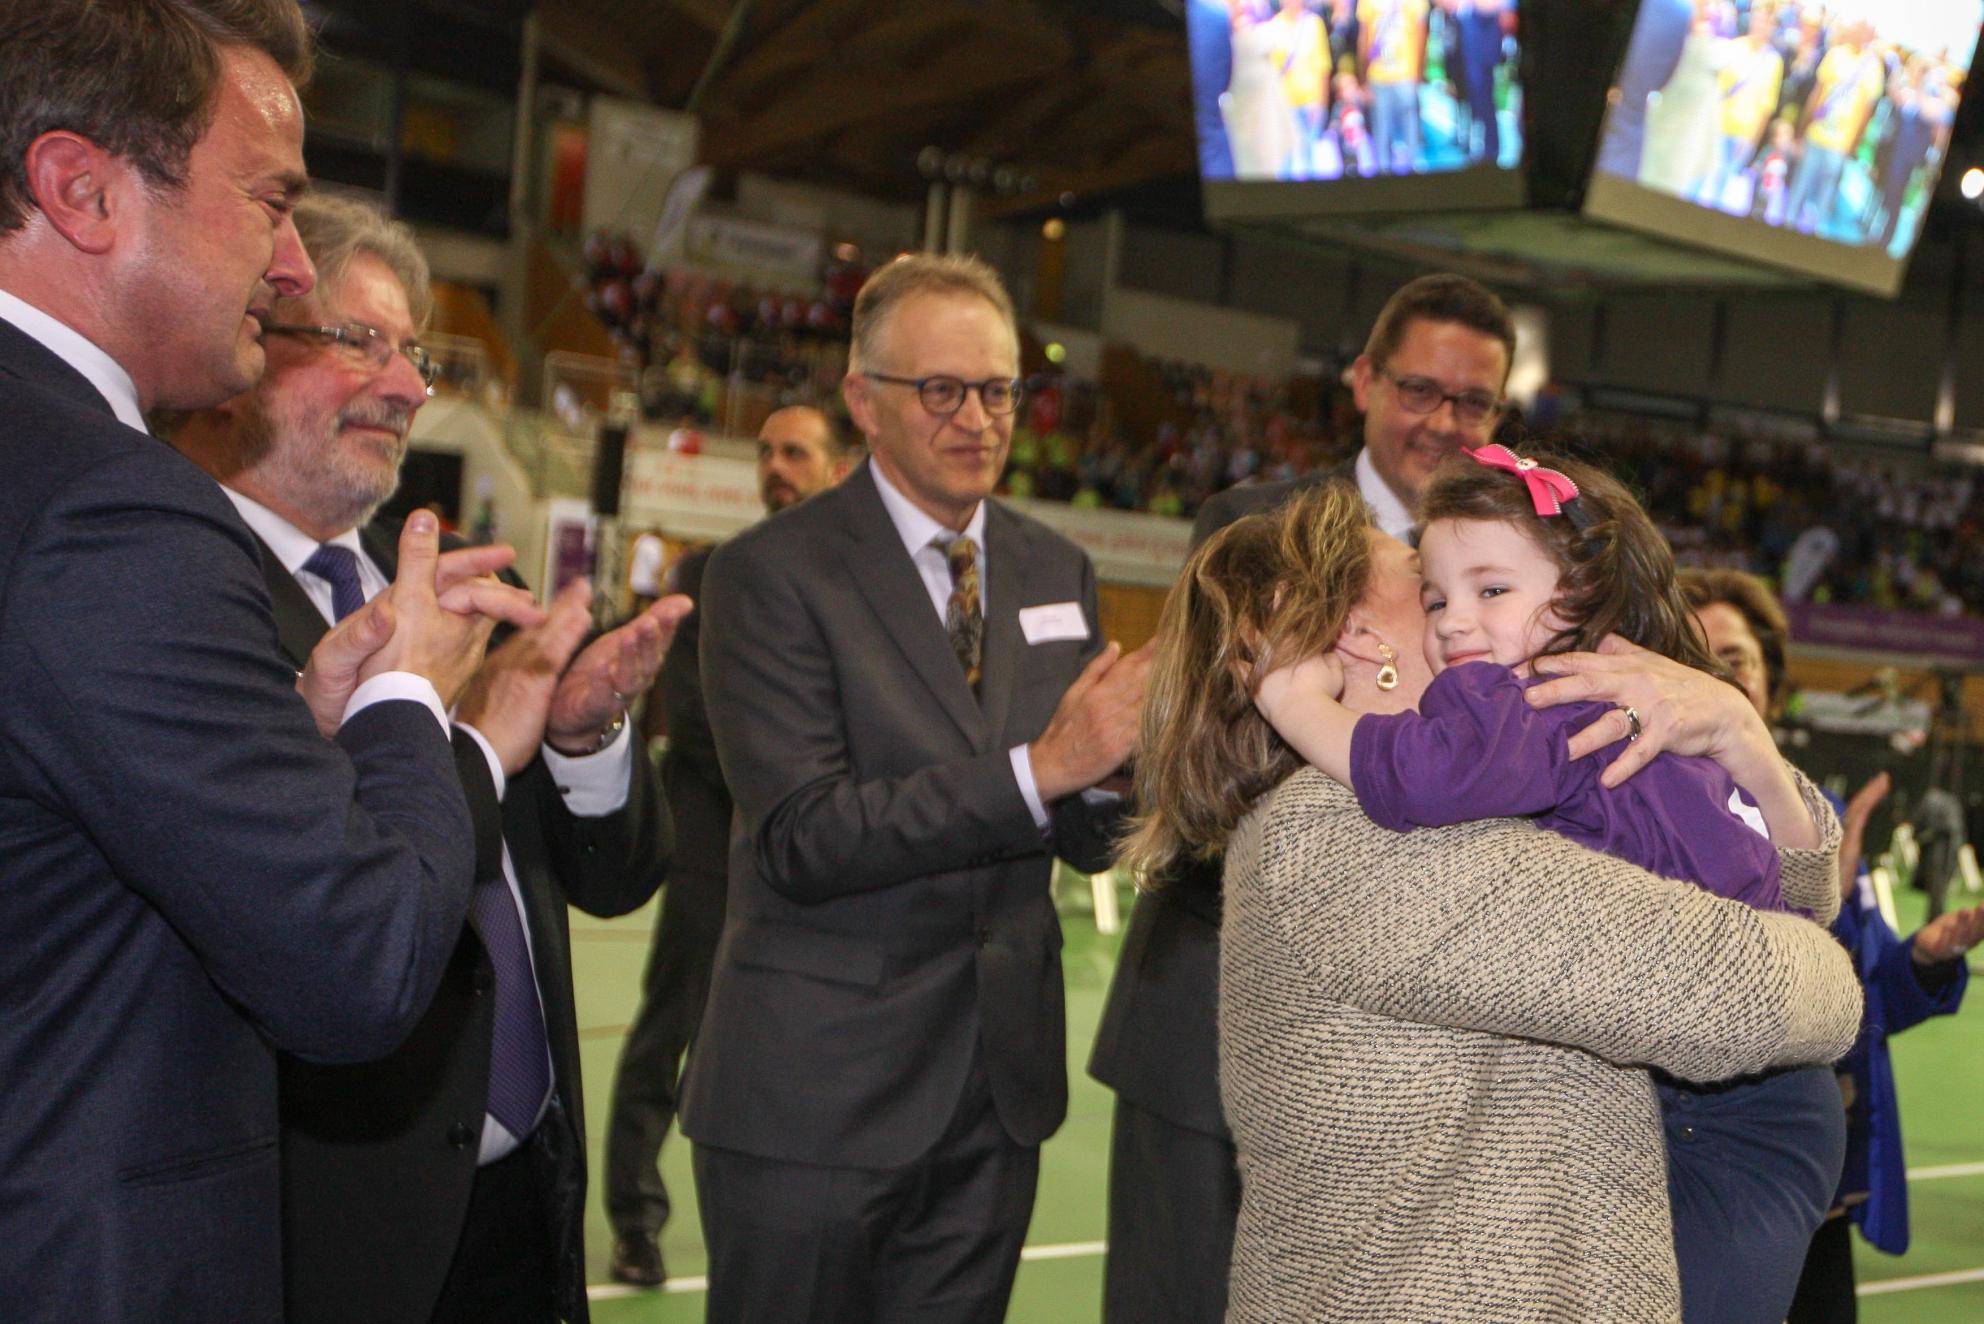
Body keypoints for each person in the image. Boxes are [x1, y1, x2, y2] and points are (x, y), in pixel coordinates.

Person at [0, 4, 542, 1320]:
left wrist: (288, 729)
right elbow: (353, 968)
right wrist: (409, 690)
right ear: (82, 189)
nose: (294, 265)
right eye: (270, 201)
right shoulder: (113, 512)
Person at [1120, 481, 1862, 1322]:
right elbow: (1755, 995)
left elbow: (1776, 872)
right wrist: (1828, 966)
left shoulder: (1450, 808)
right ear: (1364, 637)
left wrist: (1734, 729)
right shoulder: (1352, 838)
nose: (1463, 605)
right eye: (1428, 582)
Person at [165, 192, 684, 1324]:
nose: (405, 387)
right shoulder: (182, 600)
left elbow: (614, 878)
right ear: (248, 342)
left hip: (530, 1204)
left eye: (413, 353)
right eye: (360, 342)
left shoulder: (444, 591)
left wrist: (581, 734)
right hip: (343, 1238)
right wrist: (480, 749)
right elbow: (311, 906)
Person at [679, 252, 1149, 1323]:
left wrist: (1130, 773)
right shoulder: (769, 574)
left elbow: (1079, 831)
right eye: (942, 389)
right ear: (864, 402)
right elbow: (804, 833)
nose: (977, 417)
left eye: (998, 390)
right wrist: (1050, 766)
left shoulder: (1053, 569)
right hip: (814, 1107)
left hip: (994, 1102)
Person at [1089, 270, 1512, 1324]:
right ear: (1363, 381)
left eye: (1474, 403)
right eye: (1421, 389)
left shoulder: (1512, 563)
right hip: (1208, 1021)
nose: (1444, 424)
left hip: (1420, 1054)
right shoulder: (1251, 529)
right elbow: (1221, 767)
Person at [1681, 568, 1983, 1324]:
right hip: (1689, 1176)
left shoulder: (1824, 815)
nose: (1722, 676)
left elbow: (1870, 998)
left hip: (1810, 1190)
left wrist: (1920, 961)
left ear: (1772, 689)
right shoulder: (1635, 809)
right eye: (1700, 656)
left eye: (1739, 659)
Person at [602, 404, 857, 1288]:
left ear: (836, 466)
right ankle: (635, 1218)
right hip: (717, 841)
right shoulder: (711, 575)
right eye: (770, 452)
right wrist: (810, 790)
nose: (779, 466)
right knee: (671, 1025)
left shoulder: (859, 590)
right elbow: (704, 722)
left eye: (798, 451)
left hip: (824, 851)